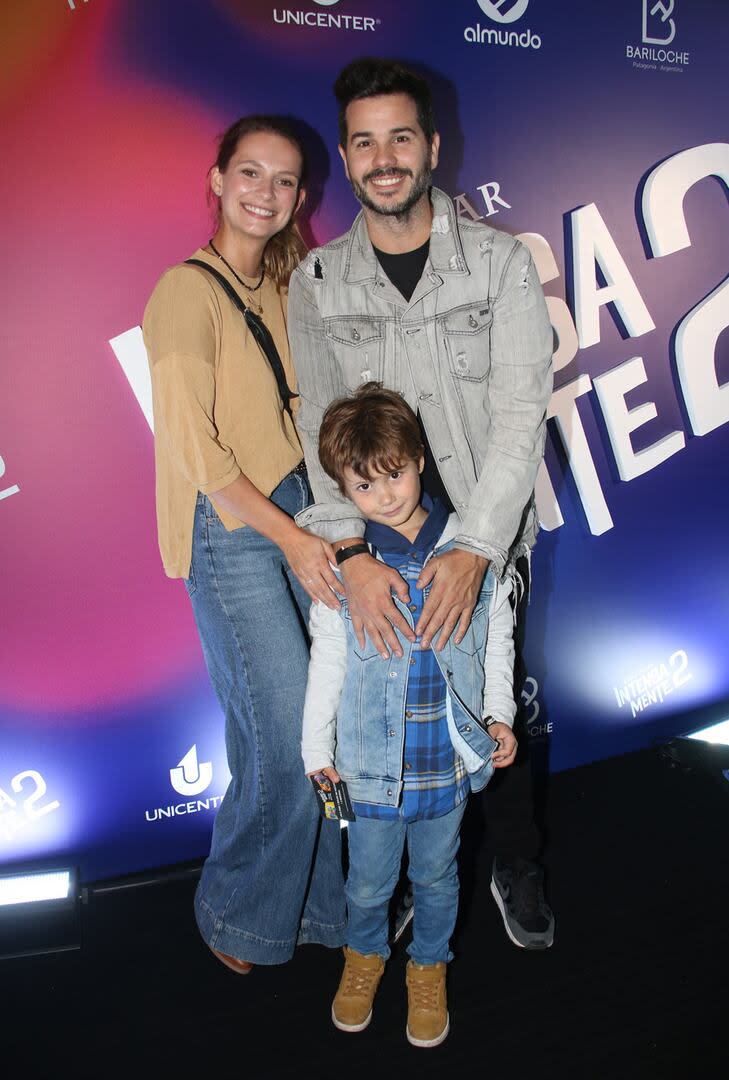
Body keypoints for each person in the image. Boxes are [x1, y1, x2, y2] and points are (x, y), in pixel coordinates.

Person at [288, 58, 555, 950]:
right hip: (378, 547)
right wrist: (354, 557)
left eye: (401, 135)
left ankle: (511, 859)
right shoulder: (318, 284)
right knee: (386, 703)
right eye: (364, 141)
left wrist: (475, 548)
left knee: (497, 697)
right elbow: (317, 433)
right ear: (346, 156)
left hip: (483, 529)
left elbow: (521, 417)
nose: (384, 156)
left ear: (432, 146)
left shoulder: (500, 261)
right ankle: (403, 876)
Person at [143, 115, 346, 971]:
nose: (266, 193)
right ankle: (238, 917)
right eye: (250, 174)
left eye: (284, 180)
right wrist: (293, 541)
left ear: (301, 196)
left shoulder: (288, 281)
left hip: (296, 507)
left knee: (321, 729)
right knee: (282, 733)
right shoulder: (184, 292)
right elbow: (196, 452)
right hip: (232, 529)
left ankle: (319, 911)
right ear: (218, 181)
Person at [301, 383, 517, 1047]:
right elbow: (327, 665)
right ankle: (362, 960)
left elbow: (495, 637)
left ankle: (428, 969)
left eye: (393, 474)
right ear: (342, 490)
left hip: (444, 762)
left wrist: (498, 714)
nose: (384, 495)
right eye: (363, 487)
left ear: (418, 458)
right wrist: (317, 753)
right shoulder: (343, 570)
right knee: (366, 887)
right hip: (364, 774)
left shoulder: (467, 548)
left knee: (437, 877)